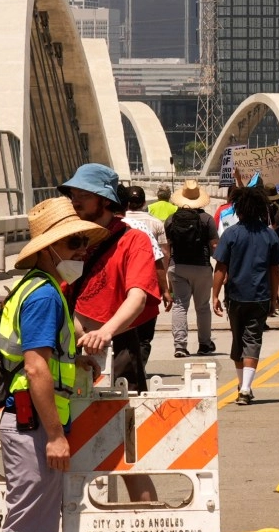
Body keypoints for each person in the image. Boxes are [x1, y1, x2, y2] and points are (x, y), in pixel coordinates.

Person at [0, 196, 107, 532]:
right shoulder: (44, 296)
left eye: (84, 242)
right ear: (48, 249)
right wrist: (56, 436)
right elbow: (36, 369)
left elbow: (44, 359)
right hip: (34, 426)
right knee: (21, 531)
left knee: (28, 529)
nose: (81, 250)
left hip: (30, 421)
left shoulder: (41, 287)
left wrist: (74, 359)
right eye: (73, 242)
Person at [61, 163, 161, 391]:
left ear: (105, 200)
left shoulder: (133, 240)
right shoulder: (68, 239)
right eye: (72, 195)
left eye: (84, 195)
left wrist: (106, 332)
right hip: (71, 347)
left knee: (122, 420)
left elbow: (138, 297)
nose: (75, 201)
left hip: (118, 345)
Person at [212, 187, 279, 405]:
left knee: (237, 339)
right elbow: (274, 270)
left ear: (239, 209)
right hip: (260, 295)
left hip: (235, 295)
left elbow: (220, 268)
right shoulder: (270, 235)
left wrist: (214, 295)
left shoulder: (231, 234)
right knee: (253, 339)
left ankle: (242, 385)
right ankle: (245, 388)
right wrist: (274, 298)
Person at [164, 180, 218, 358]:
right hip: (201, 266)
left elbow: (168, 247)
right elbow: (215, 246)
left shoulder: (171, 220)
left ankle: (180, 345)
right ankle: (204, 344)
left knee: (180, 305)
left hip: (178, 266)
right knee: (202, 306)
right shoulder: (206, 219)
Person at [121, 185, 172, 364]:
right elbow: (163, 256)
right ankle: (139, 368)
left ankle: (126, 370)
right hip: (148, 284)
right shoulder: (155, 223)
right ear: (143, 203)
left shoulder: (119, 223)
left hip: (123, 285)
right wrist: (164, 287)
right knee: (144, 335)